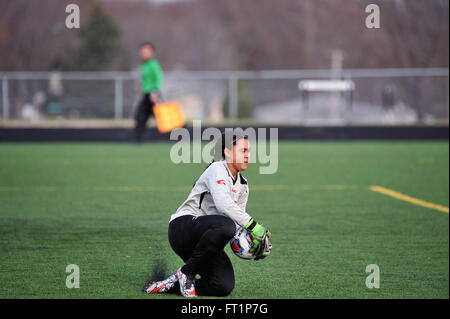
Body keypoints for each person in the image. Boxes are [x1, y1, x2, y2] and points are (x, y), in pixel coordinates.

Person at [144, 132, 271, 297]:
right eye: (243, 151)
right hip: (182, 229)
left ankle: (171, 283)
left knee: (223, 286)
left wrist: (255, 246)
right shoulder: (217, 168)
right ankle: (186, 273)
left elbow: (238, 225)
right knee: (226, 226)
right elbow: (223, 204)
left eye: (249, 151)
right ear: (227, 152)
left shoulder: (243, 185)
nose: (248, 156)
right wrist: (255, 227)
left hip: (204, 243)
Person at [134, 42, 164, 143]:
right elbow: (146, 80)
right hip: (147, 94)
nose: (143, 53)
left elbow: (159, 78)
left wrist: (155, 92)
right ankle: (138, 140)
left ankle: (183, 134)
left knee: (163, 117)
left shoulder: (153, 64)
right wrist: (142, 88)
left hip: (153, 94)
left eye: (146, 51)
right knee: (139, 116)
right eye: (142, 51)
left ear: (151, 53)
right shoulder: (144, 65)